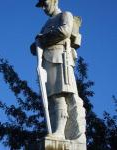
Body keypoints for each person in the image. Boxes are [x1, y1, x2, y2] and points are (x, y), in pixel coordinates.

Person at [30, 0, 86, 143]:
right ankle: (56, 129)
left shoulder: (65, 15)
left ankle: (60, 132)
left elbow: (64, 32)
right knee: (51, 98)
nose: (43, 7)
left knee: (58, 95)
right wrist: (36, 43)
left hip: (60, 58)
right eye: (41, 5)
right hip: (47, 60)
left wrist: (42, 39)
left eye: (45, 3)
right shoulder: (46, 24)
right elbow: (36, 45)